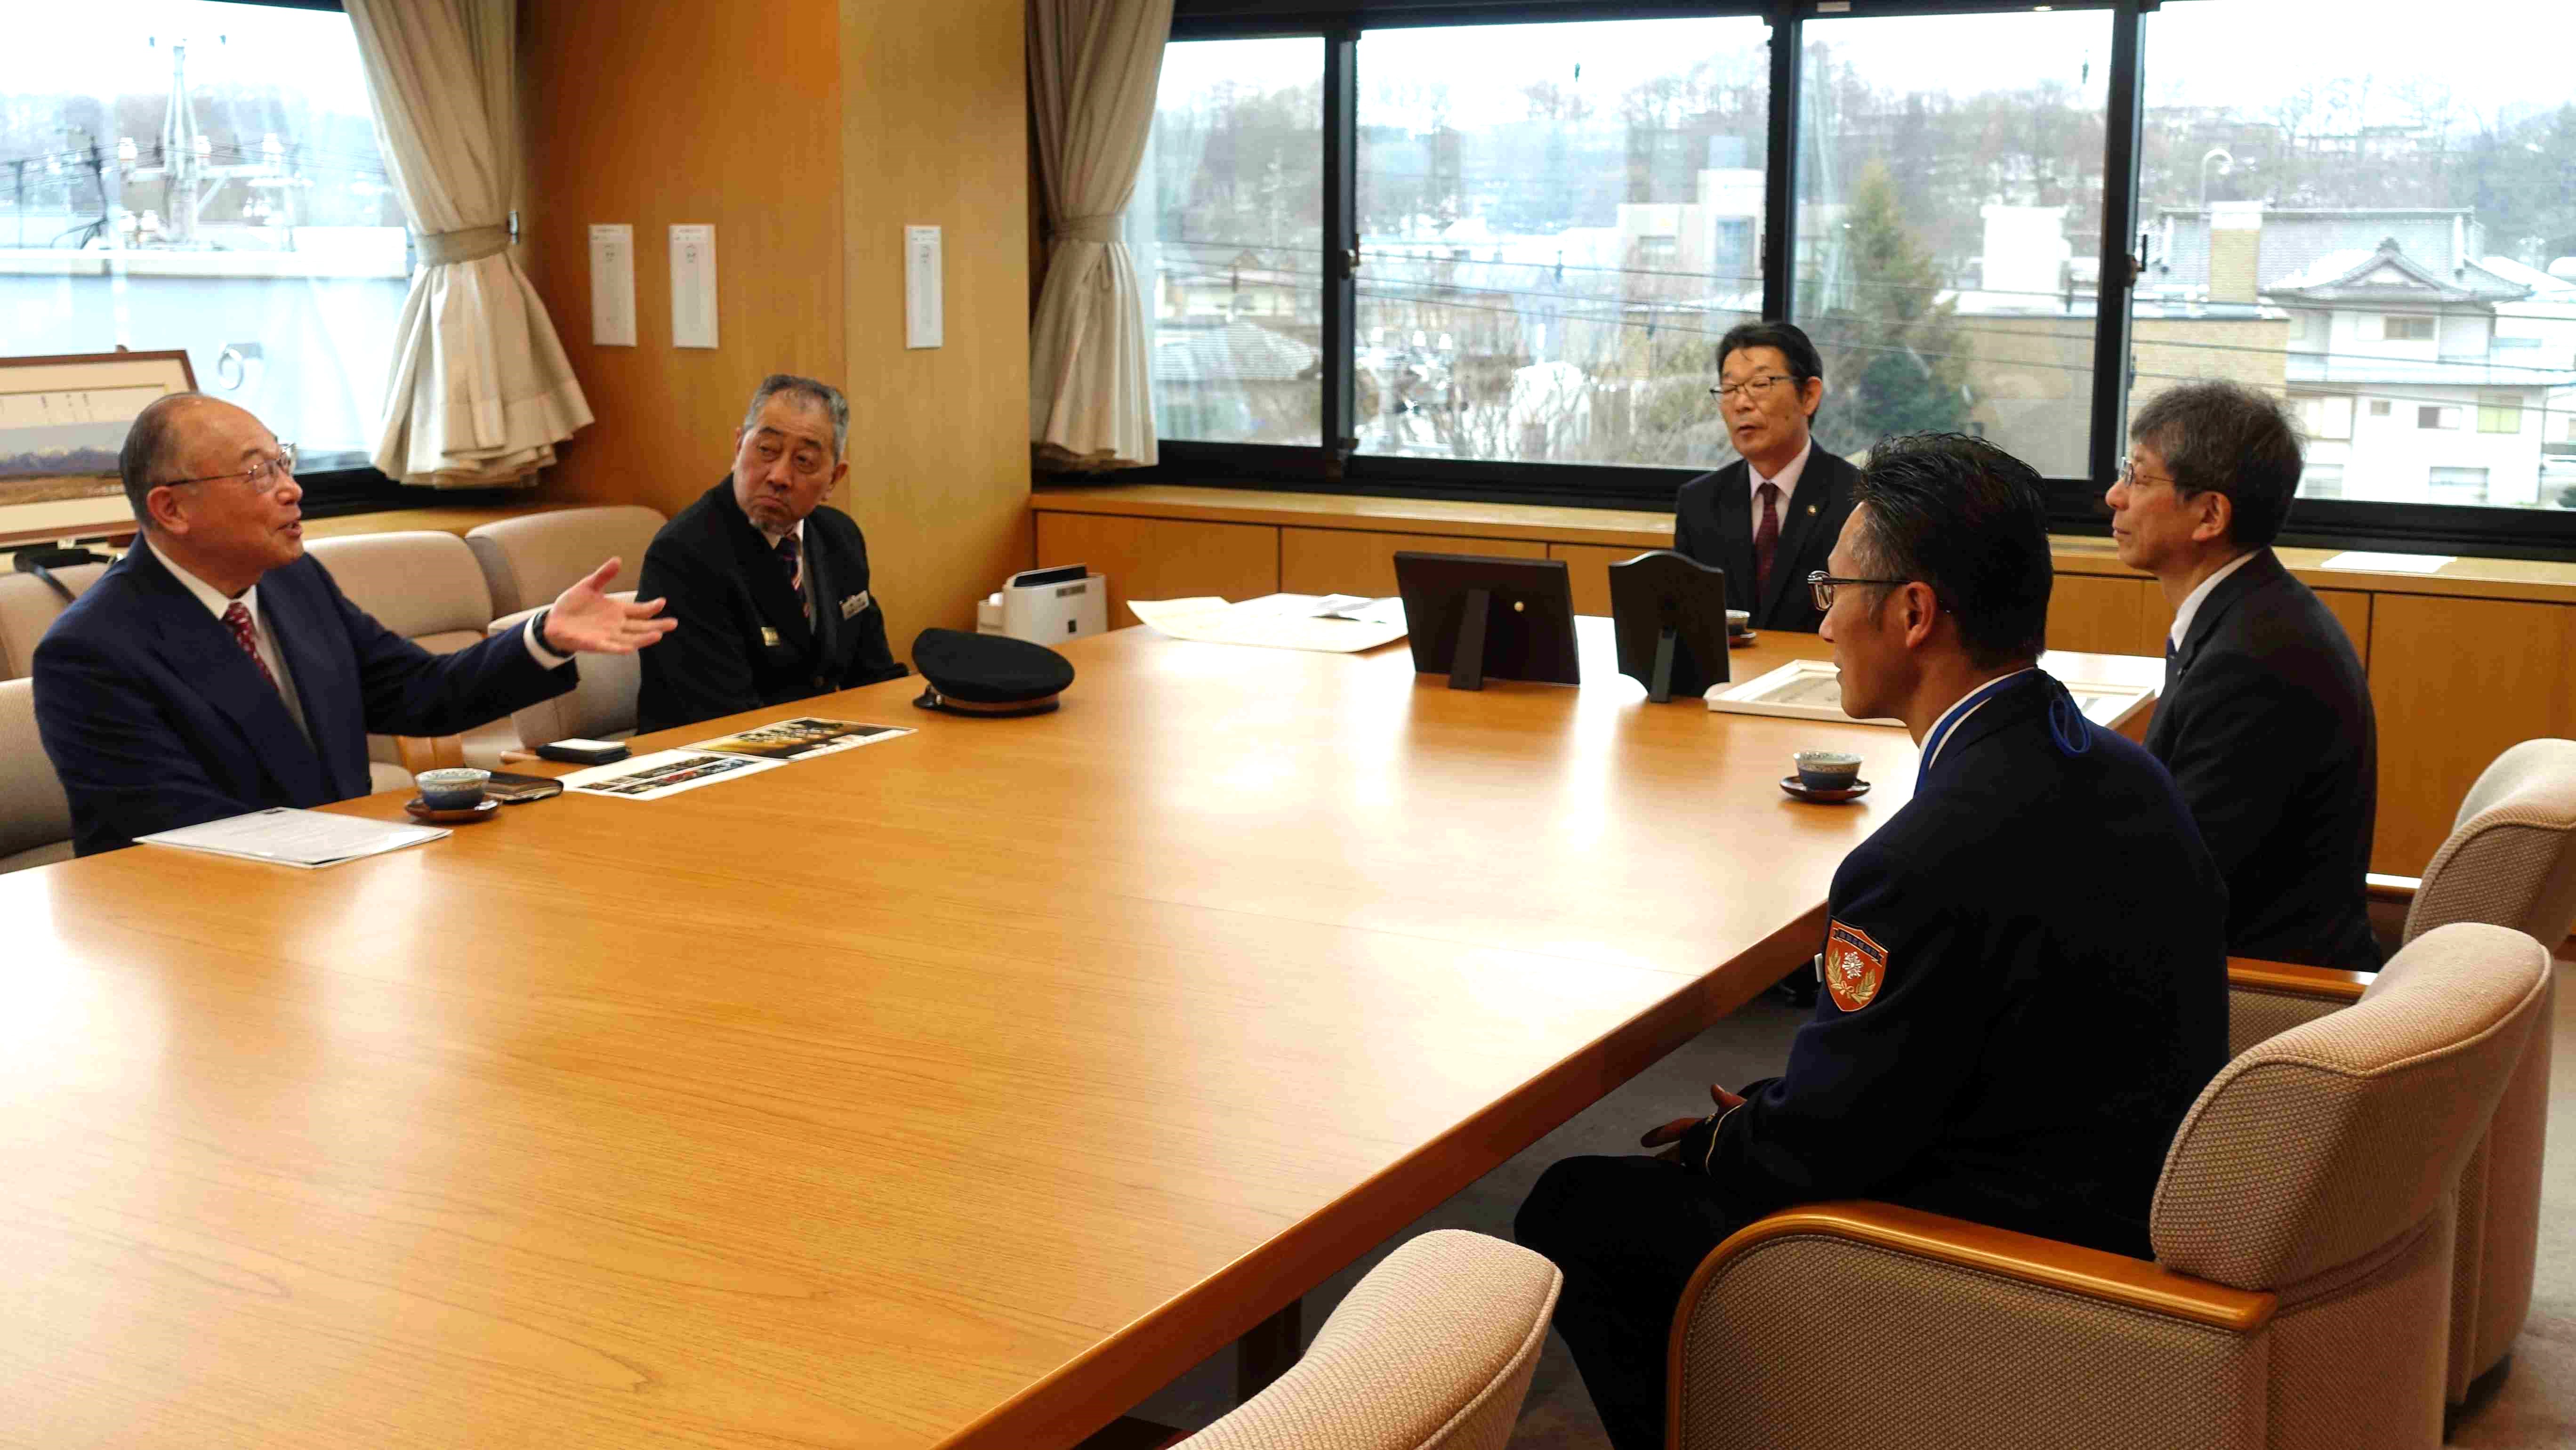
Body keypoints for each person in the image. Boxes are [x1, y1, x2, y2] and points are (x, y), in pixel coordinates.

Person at [1517, 433, 2228, 1450]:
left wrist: (1735, 1136)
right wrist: (1778, 1111)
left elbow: (1819, 1154)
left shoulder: (1924, 852)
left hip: (2008, 1260)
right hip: (2122, 1188)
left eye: (1833, 583)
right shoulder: (2116, 765)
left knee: (1576, 1205)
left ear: (1913, 612)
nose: (1820, 611)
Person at [34, 394, 676, 856]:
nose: (293, 490)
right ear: (170, 509)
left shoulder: (294, 582)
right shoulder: (92, 652)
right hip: (195, 927)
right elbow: (191, 832)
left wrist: (544, 638)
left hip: (338, 886)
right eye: (259, 474)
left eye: (284, 463)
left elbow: (422, 694)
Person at [2109, 380, 2380, 975]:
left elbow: (2180, 884)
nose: (2114, 496)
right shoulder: (2251, 611)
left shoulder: (2255, 658)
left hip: (2262, 985)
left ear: (2209, 514)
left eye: (2139, 477)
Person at [634, 374, 905, 733]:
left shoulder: (840, 538)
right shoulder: (685, 554)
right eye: (766, 450)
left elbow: (873, 678)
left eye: (804, 461)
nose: (779, 476)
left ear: (834, 479)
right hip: (712, 763)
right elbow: (724, 719)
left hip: (818, 753)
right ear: (738, 448)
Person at [1671, 320, 1860, 635]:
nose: (1742, 403)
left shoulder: (1857, 500)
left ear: (1809, 396)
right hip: (1728, 682)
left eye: (1760, 385)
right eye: (1730, 389)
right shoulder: (1700, 503)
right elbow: (1684, 621)